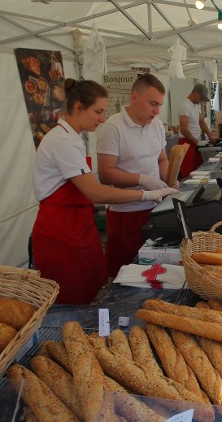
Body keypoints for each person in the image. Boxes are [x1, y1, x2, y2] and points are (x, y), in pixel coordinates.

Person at [32, 79, 177, 304]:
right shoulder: (63, 142)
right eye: (98, 111)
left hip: (77, 223)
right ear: (78, 107)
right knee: (69, 296)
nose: (101, 118)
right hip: (60, 229)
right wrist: (145, 192)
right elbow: (97, 192)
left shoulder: (70, 138)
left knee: (88, 285)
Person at [96, 73, 174, 279]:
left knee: (152, 270)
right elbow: (105, 173)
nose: (157, 111)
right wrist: (142, 179)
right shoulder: (113, 127)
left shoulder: (156, 125)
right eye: (152, 104)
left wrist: (169, 181)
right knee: (125, 272)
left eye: (159, 105)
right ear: (134, 98)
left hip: (155, 209)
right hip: (126, 212)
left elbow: (161, 159)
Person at [178, 83, 215, 177]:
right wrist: (196, 142)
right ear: (196, 94)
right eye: (201, 98)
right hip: (186, 144)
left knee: (198, 170)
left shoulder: (194, 105)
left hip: (194, 143)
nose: (201, 101)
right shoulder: (185, 106)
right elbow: (183, 129)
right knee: (189, 173)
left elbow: (201, 121)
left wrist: (210, 135)